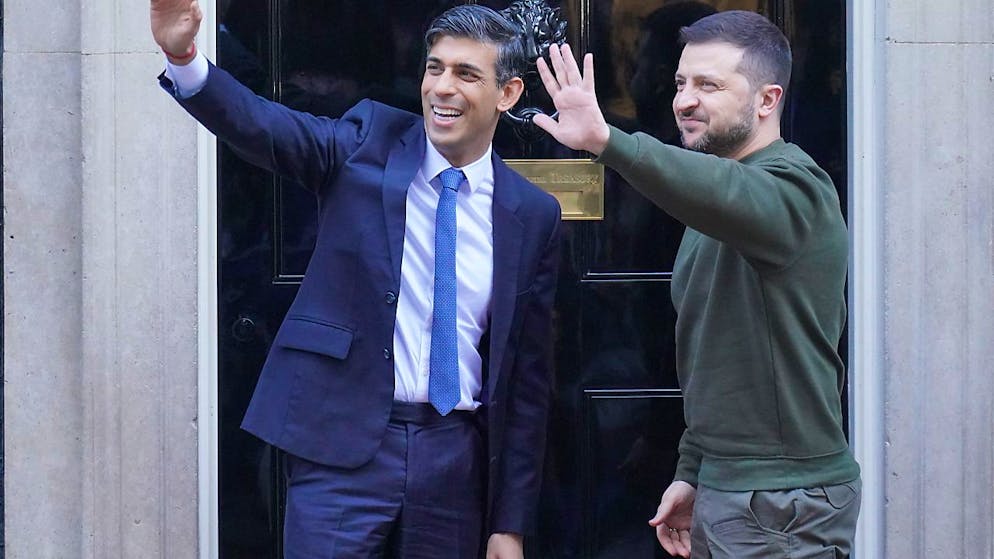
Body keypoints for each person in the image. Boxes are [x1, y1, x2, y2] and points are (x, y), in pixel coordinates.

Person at [150, 1, 562, 557]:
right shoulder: (366, 142)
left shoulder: (531, 213)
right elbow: (264, 126)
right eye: (435, 68)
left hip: (454, 457)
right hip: (342, 443)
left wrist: (508, 525)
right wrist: (185, 58)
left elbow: (527, 382)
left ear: (507, 94)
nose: (443, 87)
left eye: (467, 74)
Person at [533, 10, 861, 559]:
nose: (683, 100)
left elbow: (727, 193)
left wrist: (608, 141)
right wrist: (694, 469)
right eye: (681, 83)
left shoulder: (796, 190)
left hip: (782, 503)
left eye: (709, 85)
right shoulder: (713, 208)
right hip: (731, 489)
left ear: (766, 100)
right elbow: (713, 357)